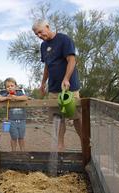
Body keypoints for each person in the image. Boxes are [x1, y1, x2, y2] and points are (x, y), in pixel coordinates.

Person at [32, 19, 82, 151]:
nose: (39, 36)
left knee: (76, 116)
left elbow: (72, 60)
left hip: (69, 88)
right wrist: (43, 83)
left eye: (40, 32)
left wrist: (66, 78)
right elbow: (47, 66)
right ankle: (60, 146)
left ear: (47, 27)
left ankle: (85, 142)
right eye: (37, 34)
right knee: (57, 118)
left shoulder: (64, 40)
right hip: (53, 89)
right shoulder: (43, 46)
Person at [0, 77, 28, 151]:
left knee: (21, 137)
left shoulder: (19, 93)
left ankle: (22, 152)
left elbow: (25, 97)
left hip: (22, 120)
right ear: (6, 88)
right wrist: (6, 98)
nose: (10, 88)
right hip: (11, 120)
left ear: (16, 86)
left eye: (12, 86)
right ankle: (13, 152)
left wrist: (16, 97)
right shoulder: (6, 94)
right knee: (14, 137)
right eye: (8, 86)